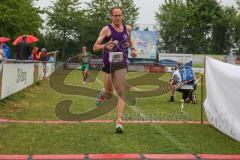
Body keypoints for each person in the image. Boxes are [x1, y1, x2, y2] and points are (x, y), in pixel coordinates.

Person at [93, 7, 137, 133]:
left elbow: (129, 41)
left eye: (119, 15)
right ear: (111, 16)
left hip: (122, 64)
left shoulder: (127, 29)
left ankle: (119, 121)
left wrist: (133, 49)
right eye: (115, 15)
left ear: (122, 16)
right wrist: (105, 45)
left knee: (122, 92)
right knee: (109, 93)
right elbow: (95, 47)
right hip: (108, 64)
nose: (117, 17)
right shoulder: (106, 29)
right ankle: (103, 94)